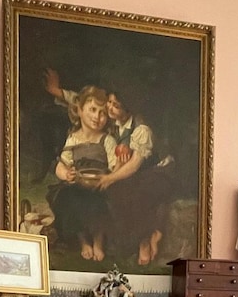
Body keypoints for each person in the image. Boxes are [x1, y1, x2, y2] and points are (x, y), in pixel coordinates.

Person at [43, 70, 175, 265]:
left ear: (128, 108)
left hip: (153, 171)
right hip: (123, 172)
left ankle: (146, 238)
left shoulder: (141, 130)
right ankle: (85, 239)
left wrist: (109, 177)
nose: (109, 110)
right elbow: (83, 101)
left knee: (129, 195)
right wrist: (56, 91)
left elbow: (133, 165)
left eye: (115, 106)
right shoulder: (109, 118)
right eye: (109, 104)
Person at [46, 85, 117, 261]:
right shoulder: (73, 138)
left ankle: (98, 241)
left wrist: (109, 175)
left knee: (98, 203)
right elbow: (61, 164)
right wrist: (65, 174)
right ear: (79, 110)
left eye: (102, 113)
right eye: (92, 110)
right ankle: (83, 241)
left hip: (100, 185)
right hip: (77, 184)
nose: (97, 117)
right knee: (68, 198)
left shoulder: (106, 139)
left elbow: (115, 165)